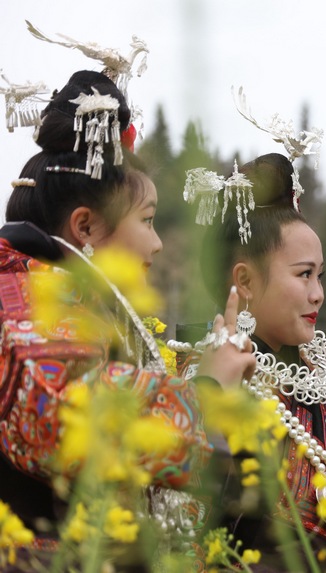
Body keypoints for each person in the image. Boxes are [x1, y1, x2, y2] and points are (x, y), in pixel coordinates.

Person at [0, 70, 255, 567]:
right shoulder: (21, 302)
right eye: (147, 220)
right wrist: (204, 393)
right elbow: (67, 414)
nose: (158, 243)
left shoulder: (69, 306)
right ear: (86, 226)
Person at [180, 152, 326, 570]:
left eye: (320, 276)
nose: (318, 295)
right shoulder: (211, 377)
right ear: (245, 281)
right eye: (303, 275)